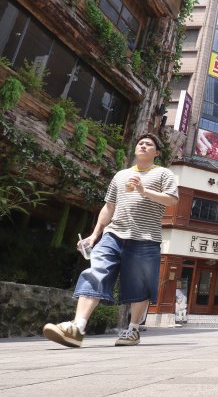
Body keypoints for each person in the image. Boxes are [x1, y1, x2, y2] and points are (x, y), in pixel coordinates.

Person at [43, 133, 179, 347]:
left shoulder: (163, 174)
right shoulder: (121, 175)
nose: (143, 146)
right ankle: (77, 327)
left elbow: (171, 200)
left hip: (145, 237)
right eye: (140, 143)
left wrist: (144, 191)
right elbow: (109, 207)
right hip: (113, 234)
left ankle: (133, 330)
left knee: (140, 285)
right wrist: (95, 234)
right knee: (95, 272)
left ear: (157, 153)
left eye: (149, 144)